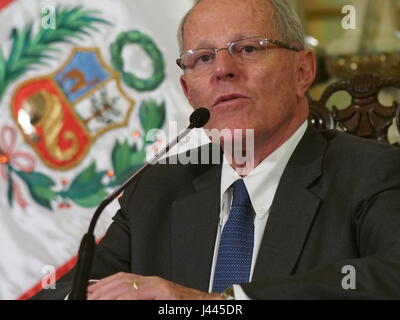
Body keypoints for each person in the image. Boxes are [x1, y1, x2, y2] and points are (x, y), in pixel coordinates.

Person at [33, 0, 400, 300]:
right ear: (189, 92)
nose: (223, 69)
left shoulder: (371, 173)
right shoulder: (157, 188)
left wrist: (217, 306)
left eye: (249, 48)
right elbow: (65, 291)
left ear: (302, 71)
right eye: (204, 58)